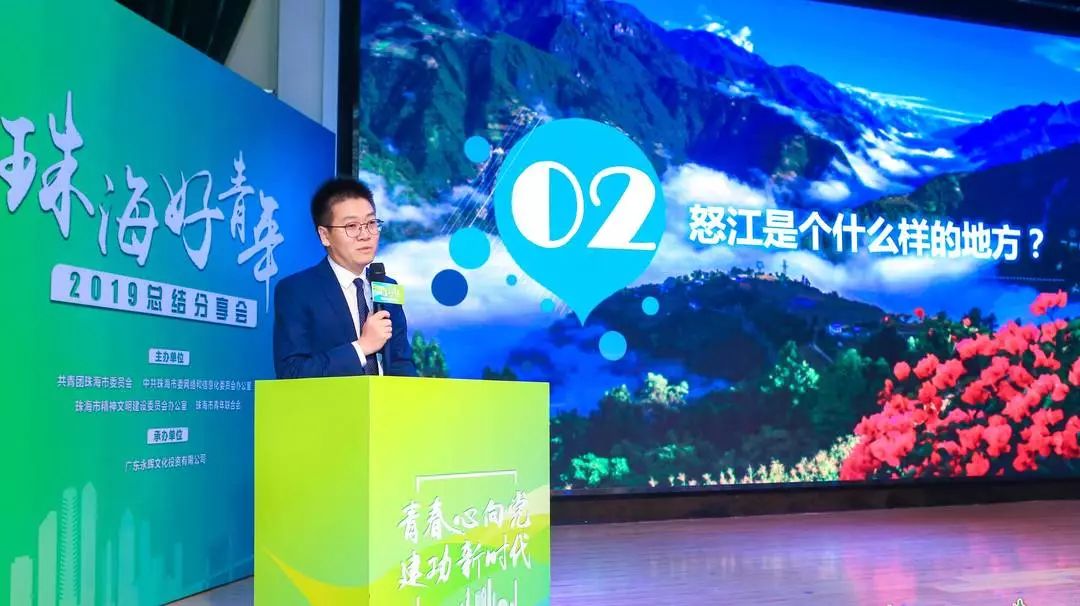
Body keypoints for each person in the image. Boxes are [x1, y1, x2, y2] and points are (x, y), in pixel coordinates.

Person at [273, 177, 418, 378]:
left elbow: (402, 363)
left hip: (385, 399)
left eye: (371, 223)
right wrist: (362, 347)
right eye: (351, 226)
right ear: (325, 236)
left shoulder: (387, 287)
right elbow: (292, 372)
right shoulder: (296, 291)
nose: (365, 235)